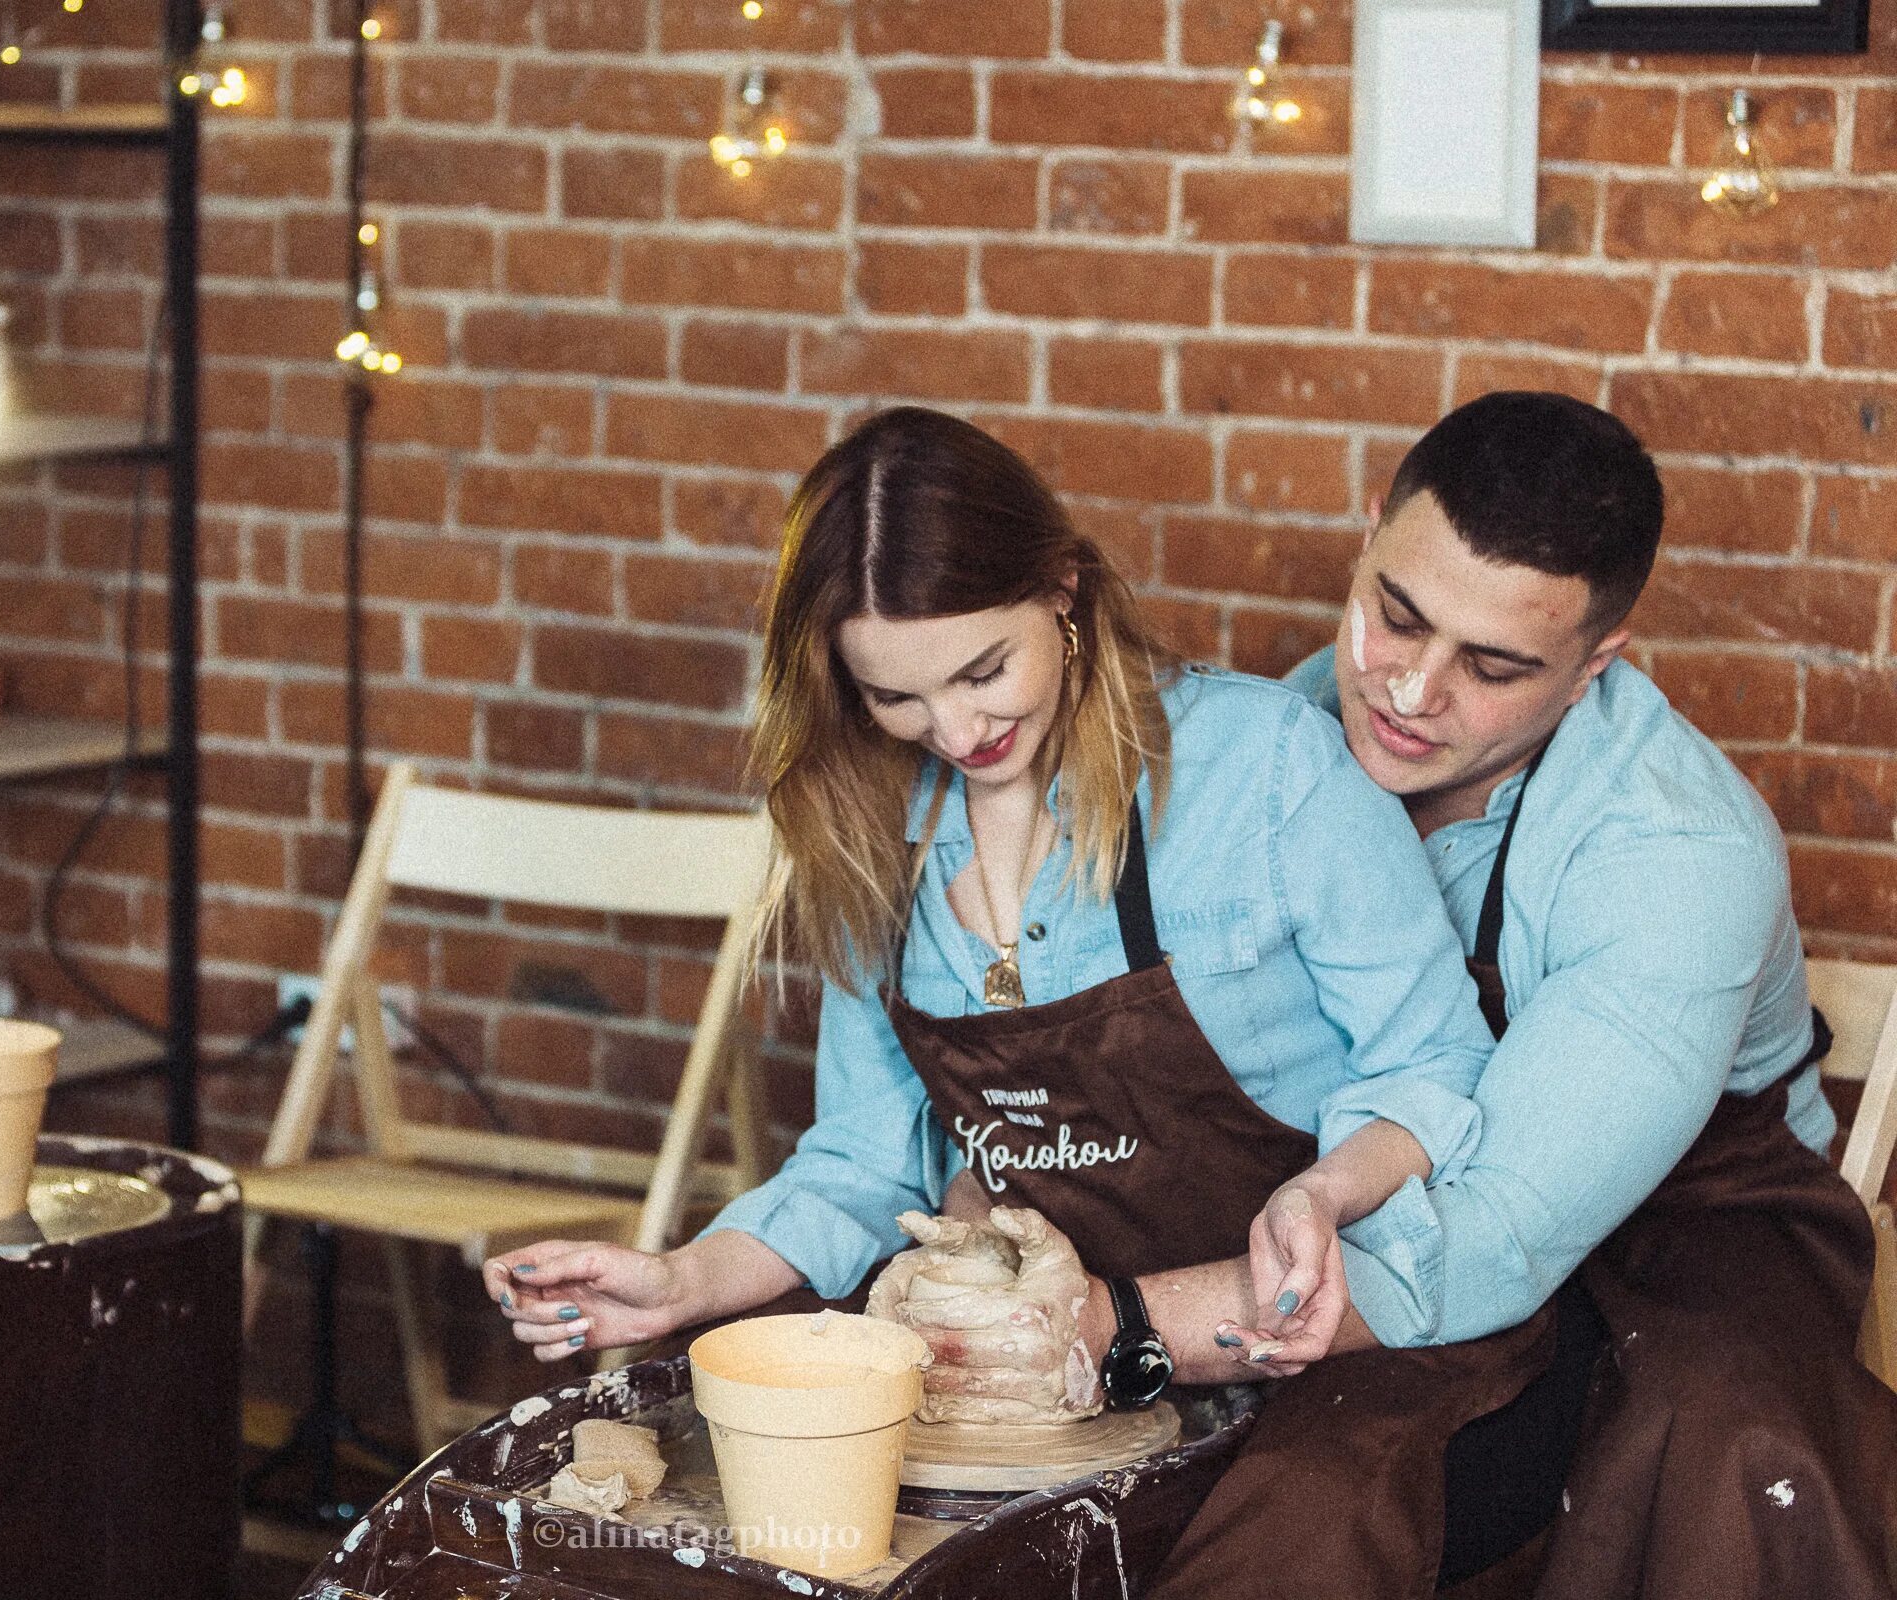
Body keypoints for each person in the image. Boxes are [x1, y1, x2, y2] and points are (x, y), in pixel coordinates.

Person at [482, 406, 1559, 1593]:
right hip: (1044, 1355)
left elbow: (1437, 1067)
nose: (955, 730)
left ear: (1065, 587)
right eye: (896, 697)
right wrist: (685, 1277)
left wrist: (1324, 1187)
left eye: (983, 670)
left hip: (1321, 1339)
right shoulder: (872, 835)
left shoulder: (1265, 772)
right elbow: (862, 1158)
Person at [1199, 390, 1894, 1596]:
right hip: (1387, 1180)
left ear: (1593, 668)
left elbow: (1502, 1232)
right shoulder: (1275, 733)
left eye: (1493, 666)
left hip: (1694, 1222)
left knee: (1725, 1467)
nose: (1411, 692)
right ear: (1370, 539)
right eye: (1395, 616)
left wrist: (1138, 1324)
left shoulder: (1680, 848)